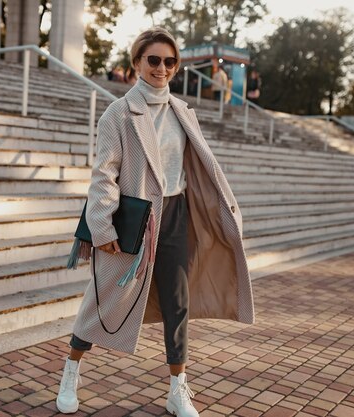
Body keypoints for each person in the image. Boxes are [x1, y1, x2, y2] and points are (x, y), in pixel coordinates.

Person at [57, 27, 255, 416]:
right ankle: (71, 370)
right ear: (136, 63)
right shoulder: (119, 112)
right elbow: (104, 174)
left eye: (169, 61)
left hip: (177, 217)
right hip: (134, 220)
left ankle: (177, 389)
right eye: (153, 60)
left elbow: (199, 169)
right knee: (105, 299)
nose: (161, 68)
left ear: (176, 66)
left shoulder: (183, 112)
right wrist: (101, 228)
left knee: (177, 304)